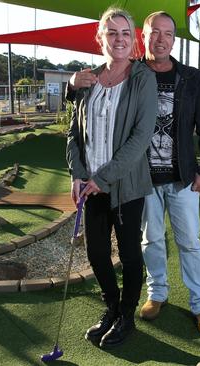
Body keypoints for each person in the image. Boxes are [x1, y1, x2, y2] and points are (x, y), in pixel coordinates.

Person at [65, 7, 157, 348]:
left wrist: (105, 177)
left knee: (130, 254)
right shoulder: (87, 80)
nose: (118, 39)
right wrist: (77, 174)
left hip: (125, 184)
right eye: (111, 32)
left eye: (124, 33)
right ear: (100, 38)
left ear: (132, 39)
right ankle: (113, 308)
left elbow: (142, 135)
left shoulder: (142, 78)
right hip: (90, 186)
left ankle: (126, 316)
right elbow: (74, 133)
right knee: (97, 255)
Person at [138, 11, 200, 335]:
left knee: (189, 243)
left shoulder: (192, 78)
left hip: (183, 178)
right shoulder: (132, 74)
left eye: (168, 33)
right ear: (144, 36)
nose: (161, 39)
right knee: (151, 239)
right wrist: (74, 84)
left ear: (174, 39)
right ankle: (157, 294)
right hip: (144, 179)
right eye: (154, 32)